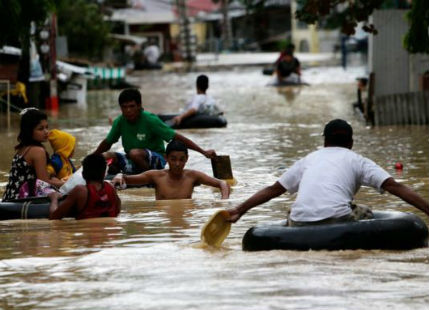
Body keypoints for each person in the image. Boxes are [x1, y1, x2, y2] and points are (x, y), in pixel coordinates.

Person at [228, 119, 429, 225]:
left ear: (324, 141)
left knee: (292, 210)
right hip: (338, 220)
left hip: (300, 223)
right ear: (351, 143)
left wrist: (240, 209)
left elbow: (273, 190)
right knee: (366, 212)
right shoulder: (358, 161)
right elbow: (395, 187)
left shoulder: (308, 160)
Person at [93, 88, 216, 175]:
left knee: (134, 153)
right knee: (105, 157)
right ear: (121, 108)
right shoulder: (119, 121)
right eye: (125, 107)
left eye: (132, 106)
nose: (128, 111)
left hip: (156, 160)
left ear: (139, 106)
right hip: (133, 159)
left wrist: (203, 152)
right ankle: (126, 175)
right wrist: (92, 158)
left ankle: (151, 177)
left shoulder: (150, 120)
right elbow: (107, 142)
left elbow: (177, 137)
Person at [111, 140, 230, 200]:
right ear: (166, 158)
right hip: (164, 222)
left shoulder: (193, 176)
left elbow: (222, 183)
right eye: (173, 159)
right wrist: (119, 176)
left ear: (187, 159)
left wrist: (224, 202)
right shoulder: (156, 176)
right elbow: (126, 179)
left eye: (181, 159)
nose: (177, 164)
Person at [2, 108, 64, 201]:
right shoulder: (37, 151)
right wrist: (65, 184)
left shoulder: (23, 148)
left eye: (47, 127)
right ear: (29, 131)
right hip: (22, 197)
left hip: (10, 195)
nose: (46, 132)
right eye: (41, 129)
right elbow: (44, 182)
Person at [49, 153, 121, 220]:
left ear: (83, 174)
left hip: (89, 232)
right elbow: (117, 211)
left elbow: (54, 217)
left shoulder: (80, 190)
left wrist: (54, 199)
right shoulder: (111, 188)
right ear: (104, 174)